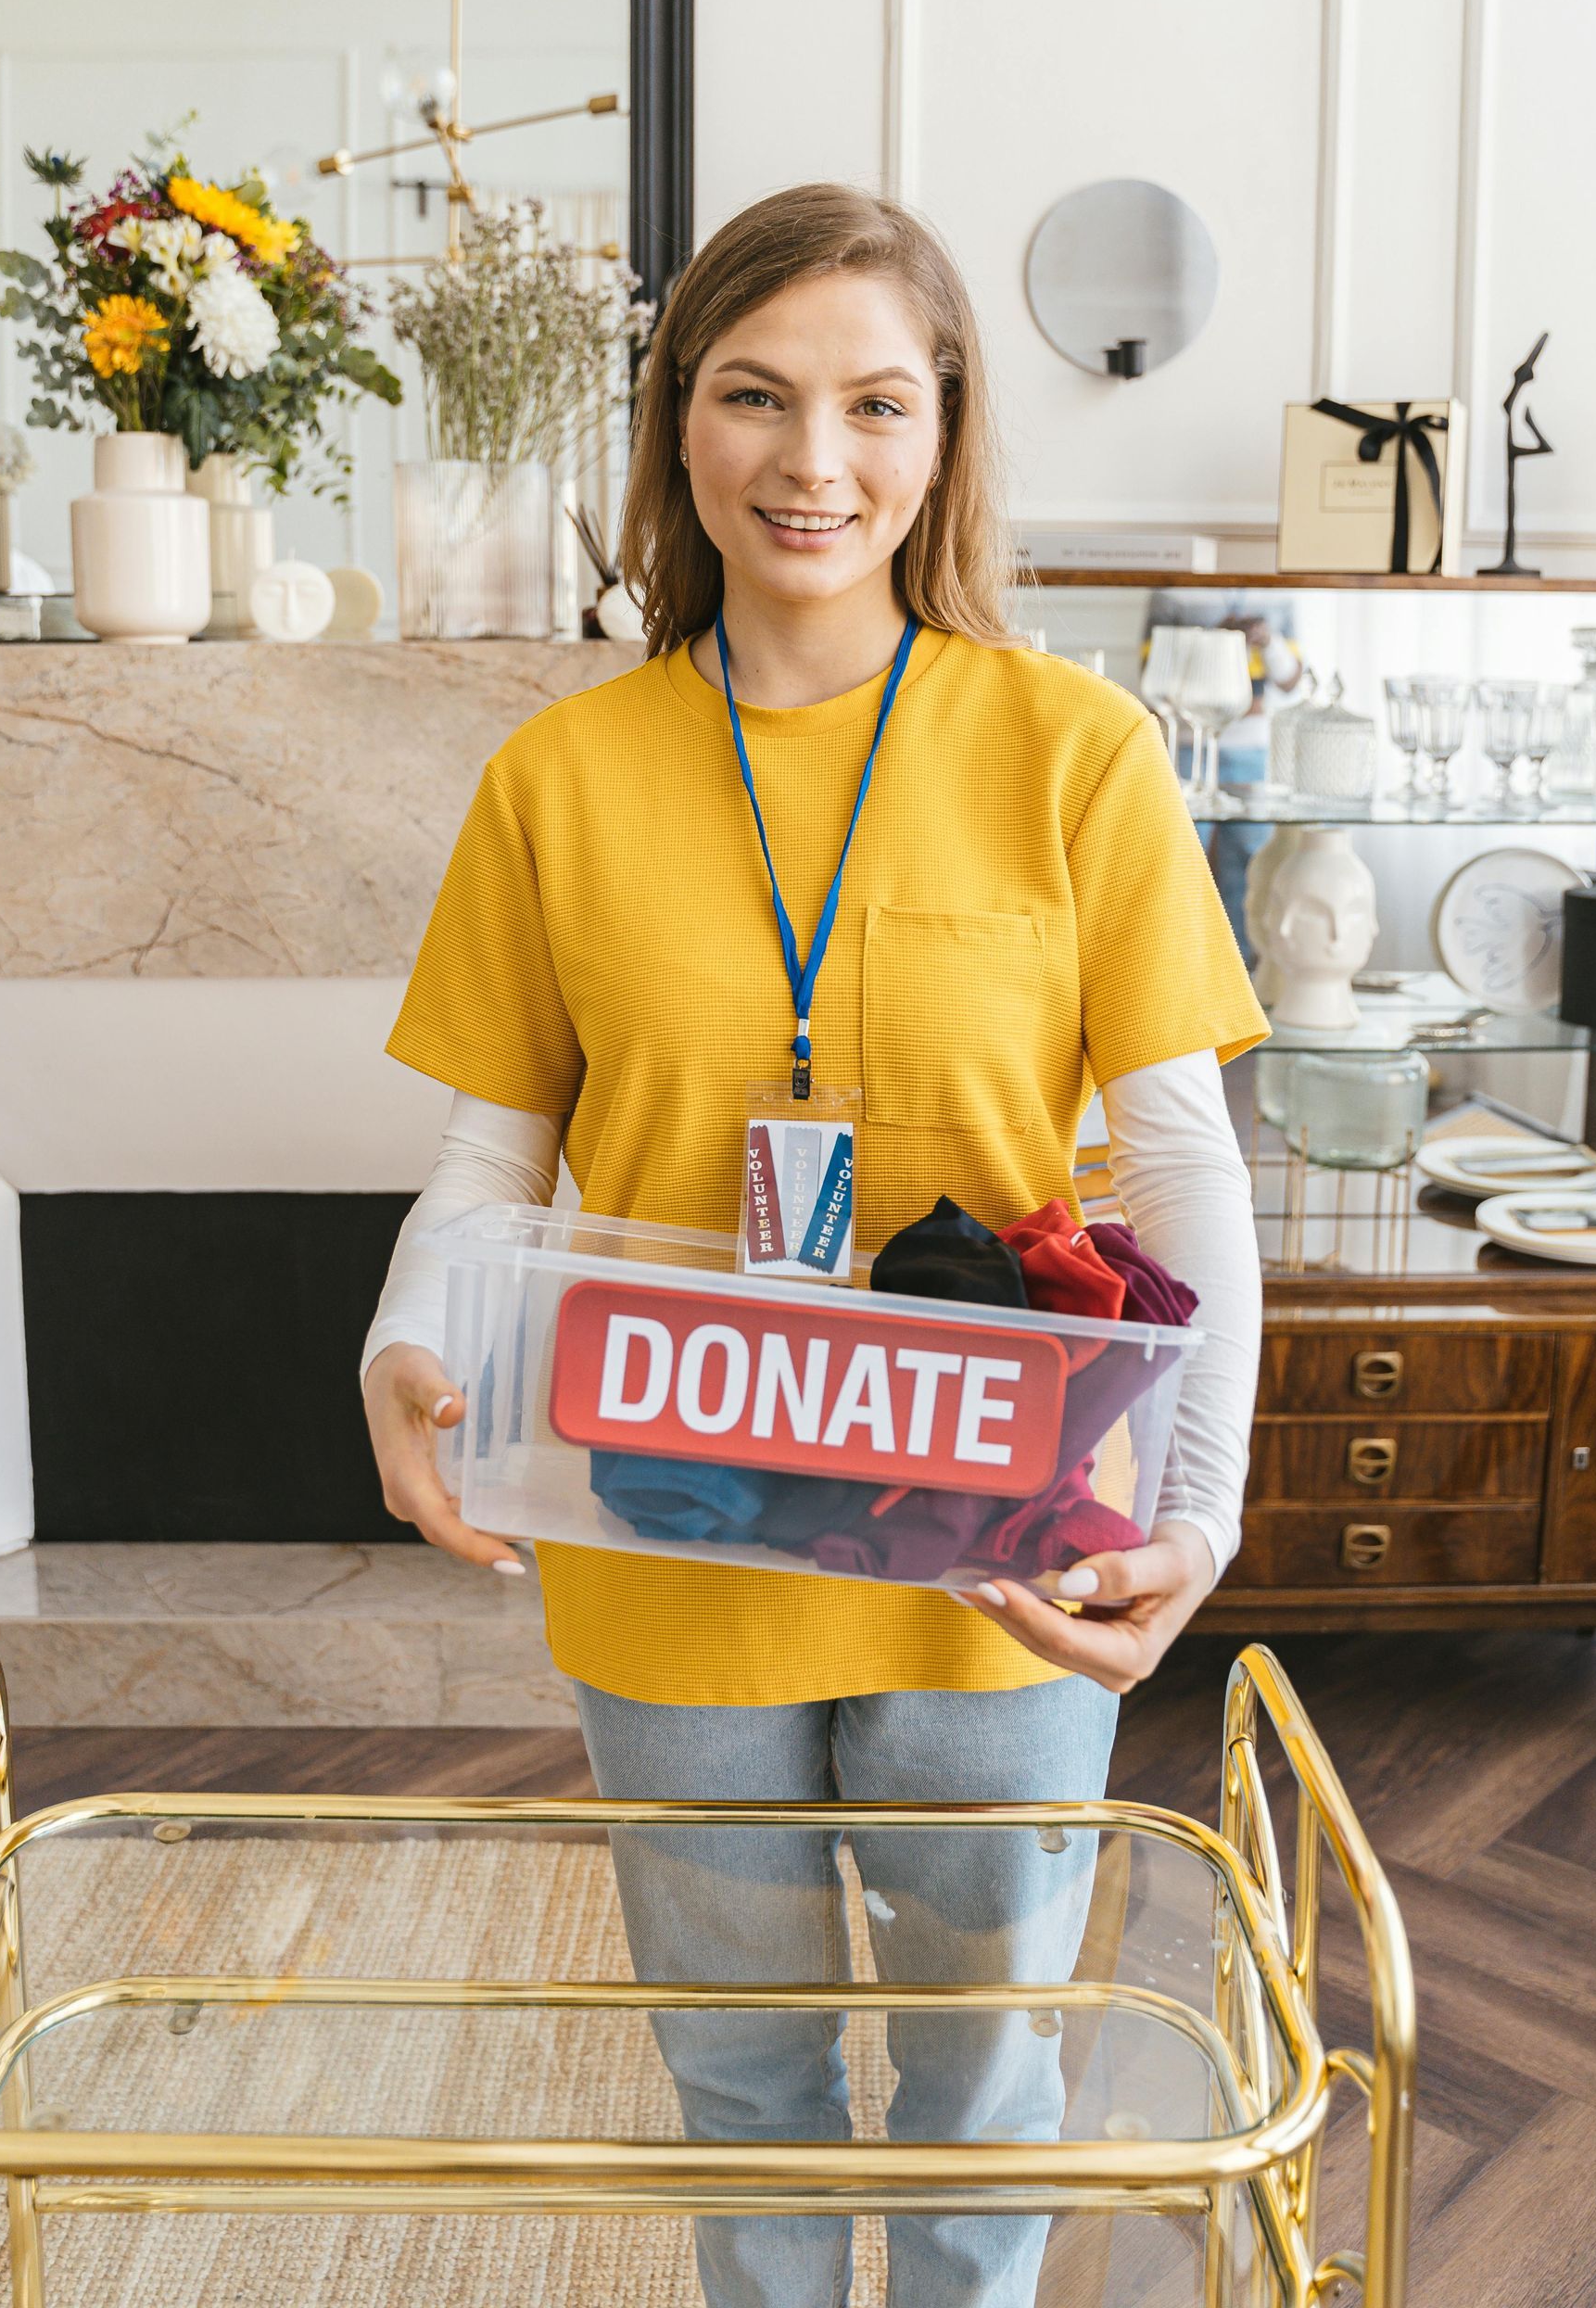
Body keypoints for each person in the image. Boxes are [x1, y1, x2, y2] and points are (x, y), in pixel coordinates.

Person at [361, 184, 1267, 2307]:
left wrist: (1201, 1513)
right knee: (740, 2077)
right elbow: (494, 1158)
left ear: (944, 435)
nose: (813, 457)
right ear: (677, 424)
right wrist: (403, 1348)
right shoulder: (556, 779)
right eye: (754, 395)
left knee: (976, 2094)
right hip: (665, 1543)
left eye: (875, 401)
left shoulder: (1072, 751)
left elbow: (1186, 1167)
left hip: (1007, 1561)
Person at [1142, 587, 1303, 954]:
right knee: (1180, 858)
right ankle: (1175, 960)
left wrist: (1268, 639)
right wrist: (1216, 641)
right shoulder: (1172, 591)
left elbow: (1292, 680)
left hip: (1252, 746)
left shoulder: (1279, 595)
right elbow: (1152, 669)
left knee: (1250, 862)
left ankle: (1242, 967)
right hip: (1188, 745)